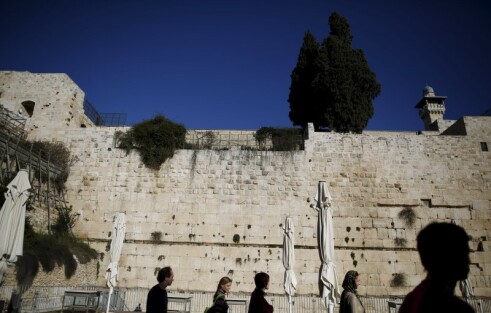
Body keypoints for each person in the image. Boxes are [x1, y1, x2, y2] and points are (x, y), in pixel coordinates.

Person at [399, 222, 475, 313]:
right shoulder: (456, 308)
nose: (468, 261)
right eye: (464, 254)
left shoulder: (411, 300)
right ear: (447, 257)